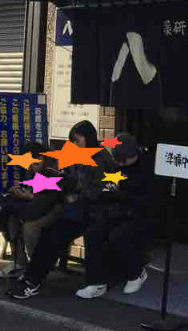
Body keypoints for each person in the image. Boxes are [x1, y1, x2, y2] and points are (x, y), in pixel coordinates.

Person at [10, 127, 150, 301]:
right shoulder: (82, 157)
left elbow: (102, 191)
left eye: (78, 140)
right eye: (73, 141)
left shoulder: (103, 158)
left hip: (104, 209)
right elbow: (79, 184)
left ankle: (97, 282)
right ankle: (32, 278)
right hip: (87, 206)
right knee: (54, 230)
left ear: (89, 138)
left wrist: (109, 192)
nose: (75, 145)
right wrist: (63, 179)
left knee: (92, 231)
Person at [77, 132, 154, 300]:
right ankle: (96, 282)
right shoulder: (118, 166)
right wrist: (109, 191)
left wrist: (121, 195)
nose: (119, 163)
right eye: (117, 160)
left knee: (118, 235)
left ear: (132, 154)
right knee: (93, 232)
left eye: (122, 160)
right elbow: (111, 184)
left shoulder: (148, 168)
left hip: (139, 214)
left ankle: (136, 273)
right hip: (117, 210)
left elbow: (150, 201)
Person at [0, 142, 63, 277]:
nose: (29, 168)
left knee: (30, 227)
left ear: (41, 158)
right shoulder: (35, 169)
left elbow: (50, 198)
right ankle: (18, 261)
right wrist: (22, 192)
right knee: (11, 216)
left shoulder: (53, 170)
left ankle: (37, 268)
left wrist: (29, 196)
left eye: (32, 164)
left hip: (56, 208)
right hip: (37, 206)